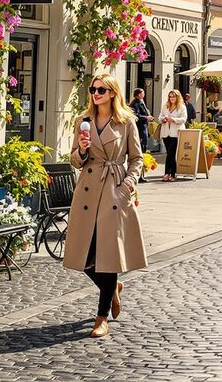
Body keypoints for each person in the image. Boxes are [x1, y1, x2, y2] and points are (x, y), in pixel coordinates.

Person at [66, 72, 147, 338]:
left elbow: (137, 158)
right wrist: (82, 149)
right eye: (93, 89)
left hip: (114, 191)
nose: (96, 94)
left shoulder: (126, 122)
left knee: (107, 256)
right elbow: (75, 161)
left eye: (101, 89)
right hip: (88, 193)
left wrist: (127, 186)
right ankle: (112, 289)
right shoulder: (83, 121)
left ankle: (101, 318)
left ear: (112, 93)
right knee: (83, 256)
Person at [157, 90, 187, 182]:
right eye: (170, 96)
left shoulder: (182, 107)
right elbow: (159, 117)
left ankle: (170, 173)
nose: (171, 98)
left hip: (176, 133)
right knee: (169, 153)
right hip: (166, 132)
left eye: (173, 96)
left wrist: (173, 119)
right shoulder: (165, 106)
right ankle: (170, 173)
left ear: (177, 97)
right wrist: (164, 119)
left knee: (171, 153)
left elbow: (184, 119)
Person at [129, 88, 152, 182]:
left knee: (143, 149)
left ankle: (141, 174)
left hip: (143, 128)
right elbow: (136, 116)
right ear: (139, 94)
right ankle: (139, 175)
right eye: (143, 93)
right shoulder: (136, 103)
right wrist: (146, 117)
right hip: (140, 128)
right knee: (141, 149)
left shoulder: (140, 102)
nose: (144, 94)